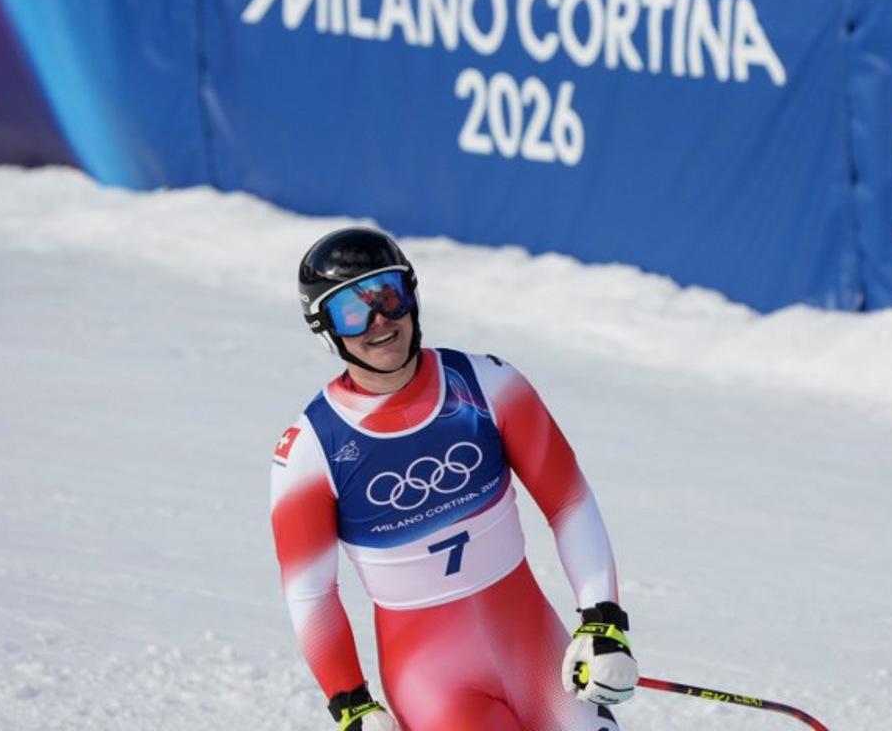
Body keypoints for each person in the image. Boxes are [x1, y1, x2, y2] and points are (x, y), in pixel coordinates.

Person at [270, 227, 638, 731]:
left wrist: (603, 622)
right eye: (351, 311)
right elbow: (310, 593)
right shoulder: (311, 449)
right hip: (434, 680)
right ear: (325, 327)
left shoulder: (488, 385)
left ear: (412, 296)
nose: (379, 322)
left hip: (535, 652)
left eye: (388, 296)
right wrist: (351, 703)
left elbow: (568, 504)